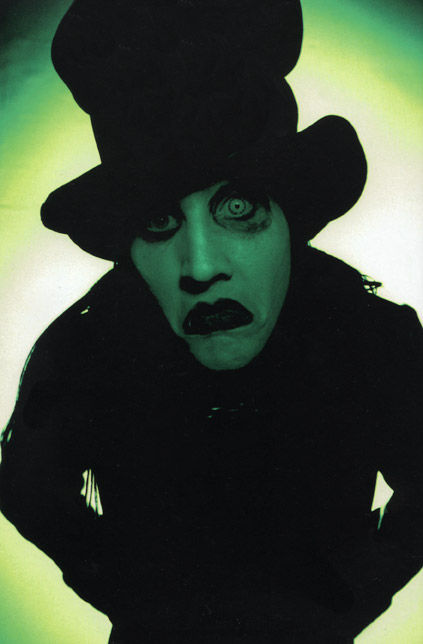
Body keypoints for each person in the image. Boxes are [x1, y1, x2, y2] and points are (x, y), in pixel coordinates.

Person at [1, 1, 422, 642]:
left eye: (238, 208)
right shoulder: (87, 352)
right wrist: (131, 596)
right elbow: (29, 488)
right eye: (158, 222)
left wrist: (347, 597)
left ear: (291, 221)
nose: (199, 267)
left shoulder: (373, 340)